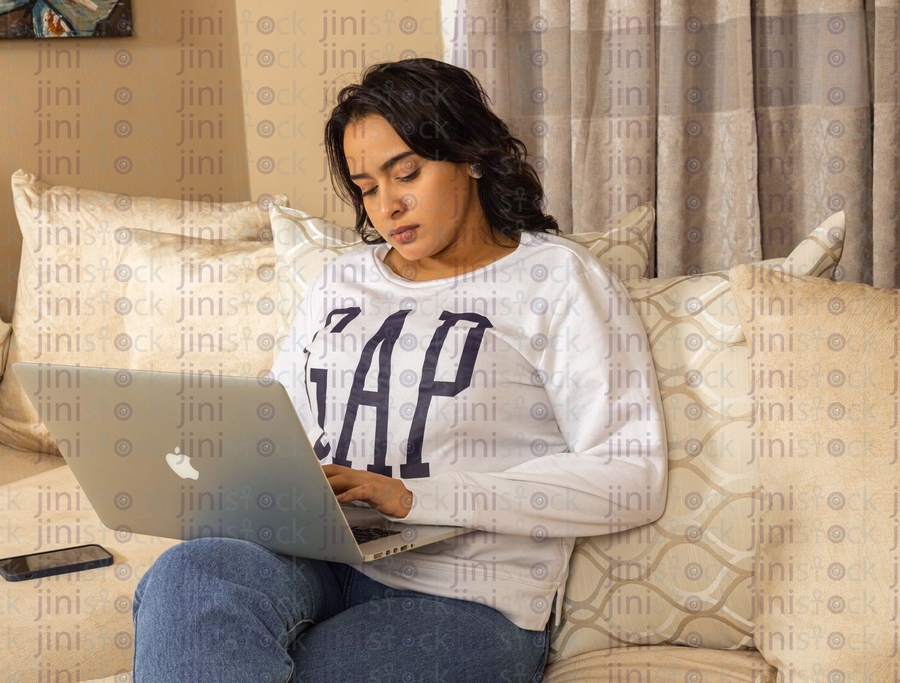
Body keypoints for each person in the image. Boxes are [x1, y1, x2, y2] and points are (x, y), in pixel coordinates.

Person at [132, 58, 667, 681]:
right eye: (366, 187)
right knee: (187, 576)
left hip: (466, 598)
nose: (387, 205)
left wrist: (414, 497)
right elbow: (288, 424)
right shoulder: (343, 281)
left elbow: (631, 475)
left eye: (406, 173)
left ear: (471, 154)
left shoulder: (558, 280)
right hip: (316, 555)